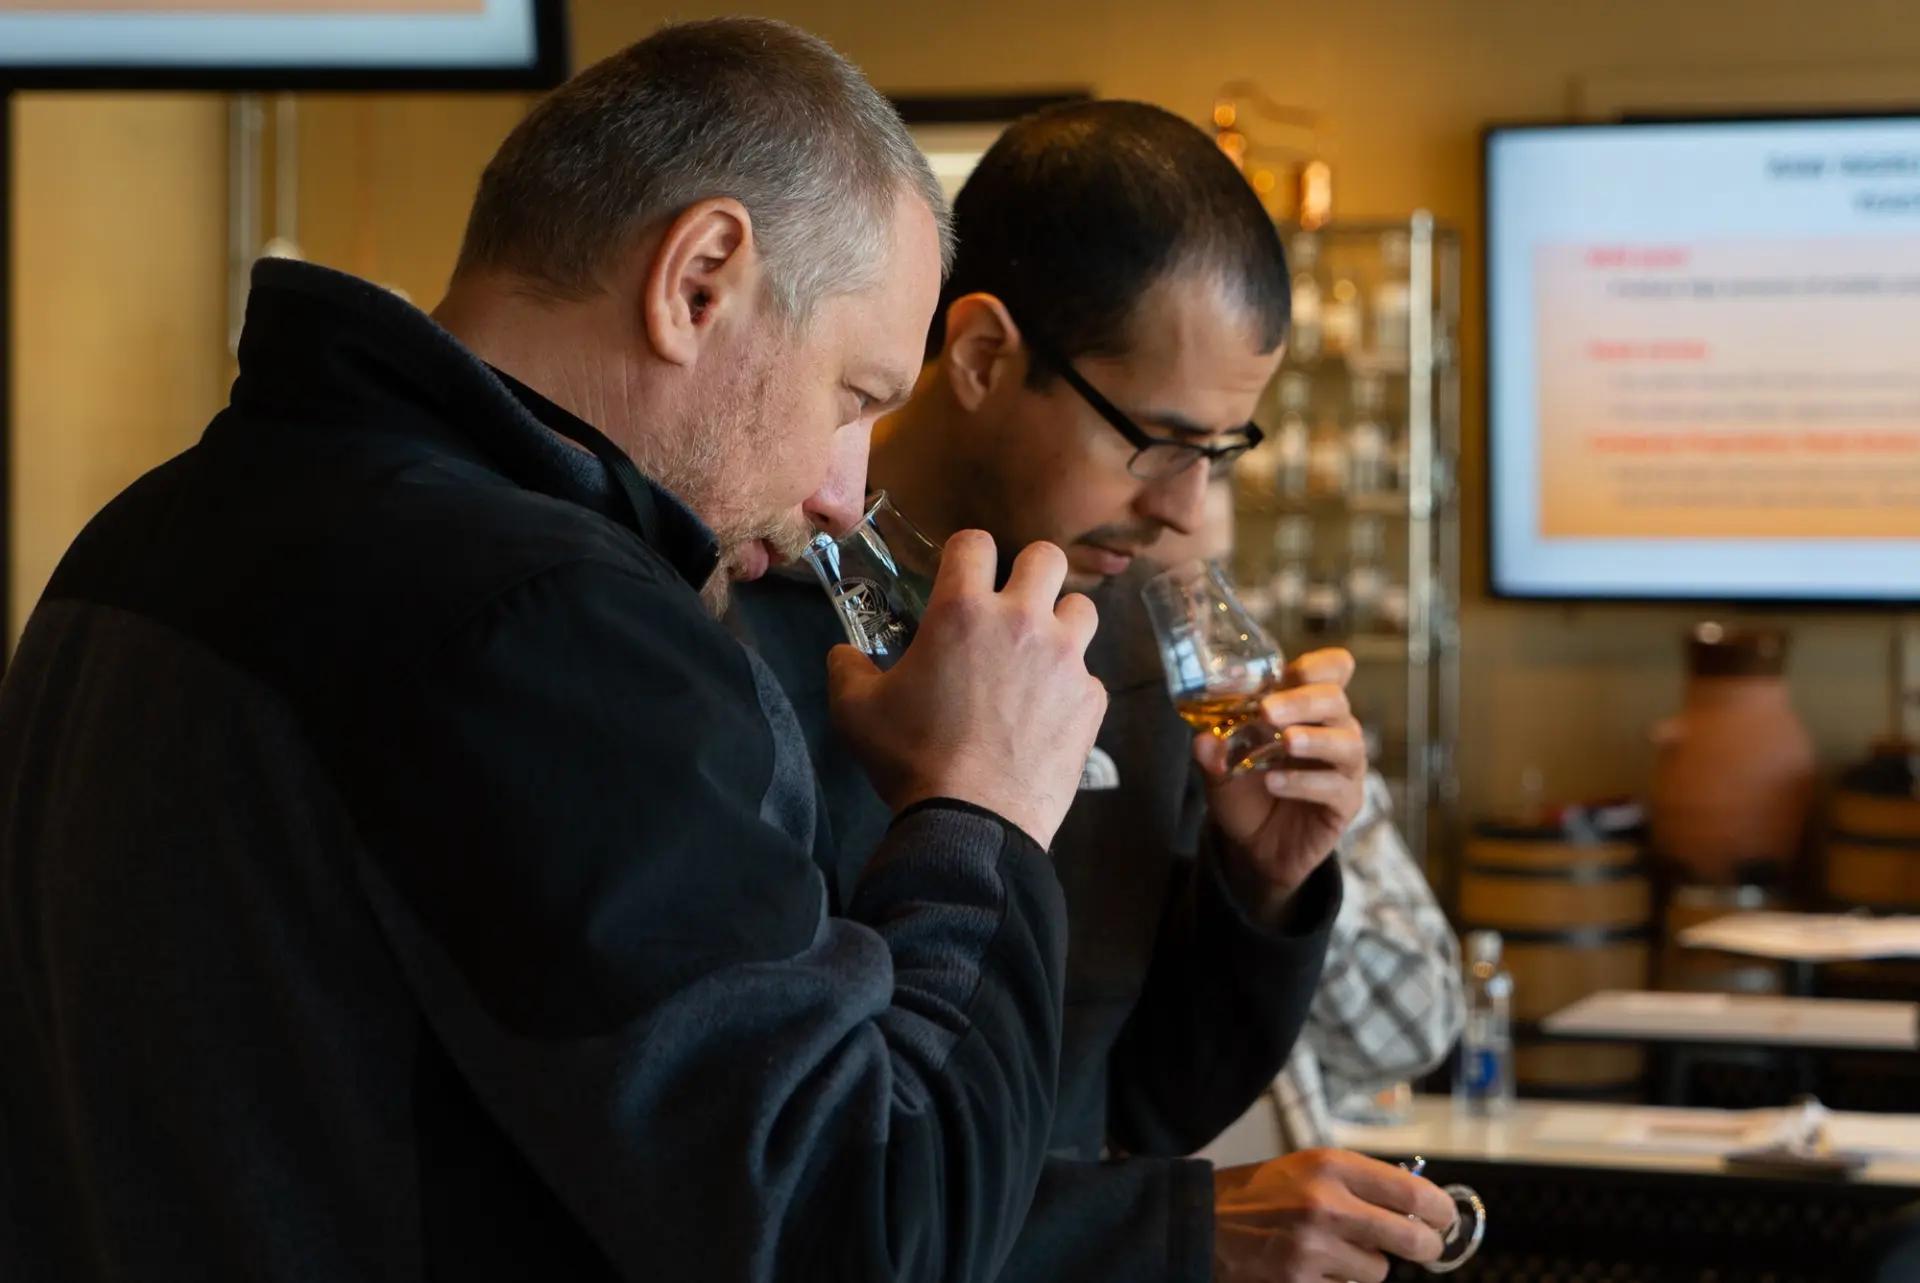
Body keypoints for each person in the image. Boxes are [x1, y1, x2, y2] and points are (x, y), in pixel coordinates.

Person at [0, 21, 1109, 1283]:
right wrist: (987, 803)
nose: (844, 493)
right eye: (853, 395)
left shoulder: (149, 524)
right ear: (699, 281)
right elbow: (863, 1227)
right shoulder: (546, 620)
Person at [734, 100, 1456, 1283]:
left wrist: (1262, 885)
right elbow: (775, 1186)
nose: (1184, 508)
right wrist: (1169, 1232)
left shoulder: (1121, 636)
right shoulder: (745, 616)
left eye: (1219, 453)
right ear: (978, 355)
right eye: (1156, 440)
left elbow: (1142, 1101)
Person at [1151, 481, 1465, 1151]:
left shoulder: (1289, 760)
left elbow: (1418, 1031)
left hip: (1281, 1214)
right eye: (1165, 599)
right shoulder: (1056, 767)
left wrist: (1286, 883)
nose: (1203, 639)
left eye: (1215, 588)